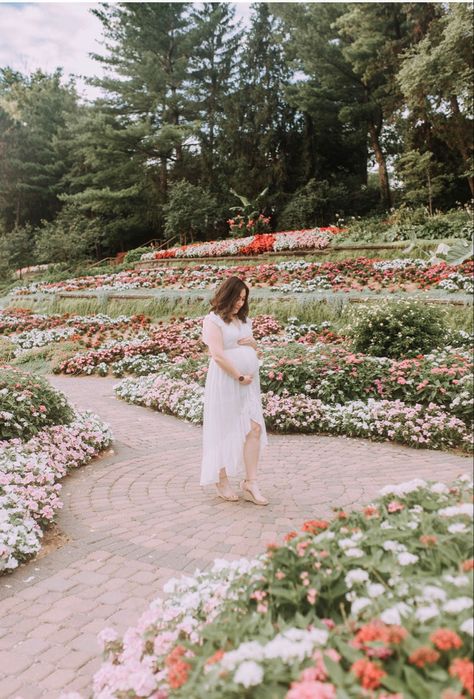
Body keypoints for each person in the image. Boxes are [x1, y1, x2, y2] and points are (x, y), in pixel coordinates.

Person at [200, 276, 269, 505]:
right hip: (227, 380)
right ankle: (221, 479)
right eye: (238, 298)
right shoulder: (213, 321)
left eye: (244, 299)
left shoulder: (244, 320)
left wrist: (254, 346)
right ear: (227, 295)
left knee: (255, 429)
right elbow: (217, 355)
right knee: (225, 427)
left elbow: (253, 351)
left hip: (248, 383)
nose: (241, 303)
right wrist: (238, 375)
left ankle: (250, 482)